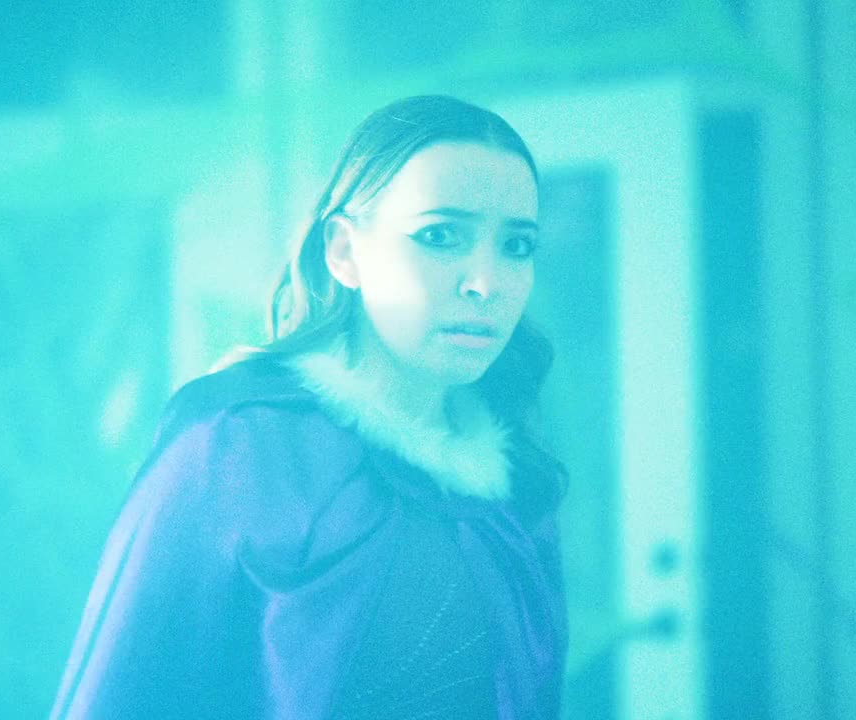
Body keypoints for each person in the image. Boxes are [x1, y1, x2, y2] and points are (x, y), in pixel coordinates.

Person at [49, 95, 568, 719]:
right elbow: (121, 699)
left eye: (517, 245)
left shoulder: (515, 487)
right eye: (439, 236)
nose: (486, 282)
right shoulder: (236, 441)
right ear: (344, 250)